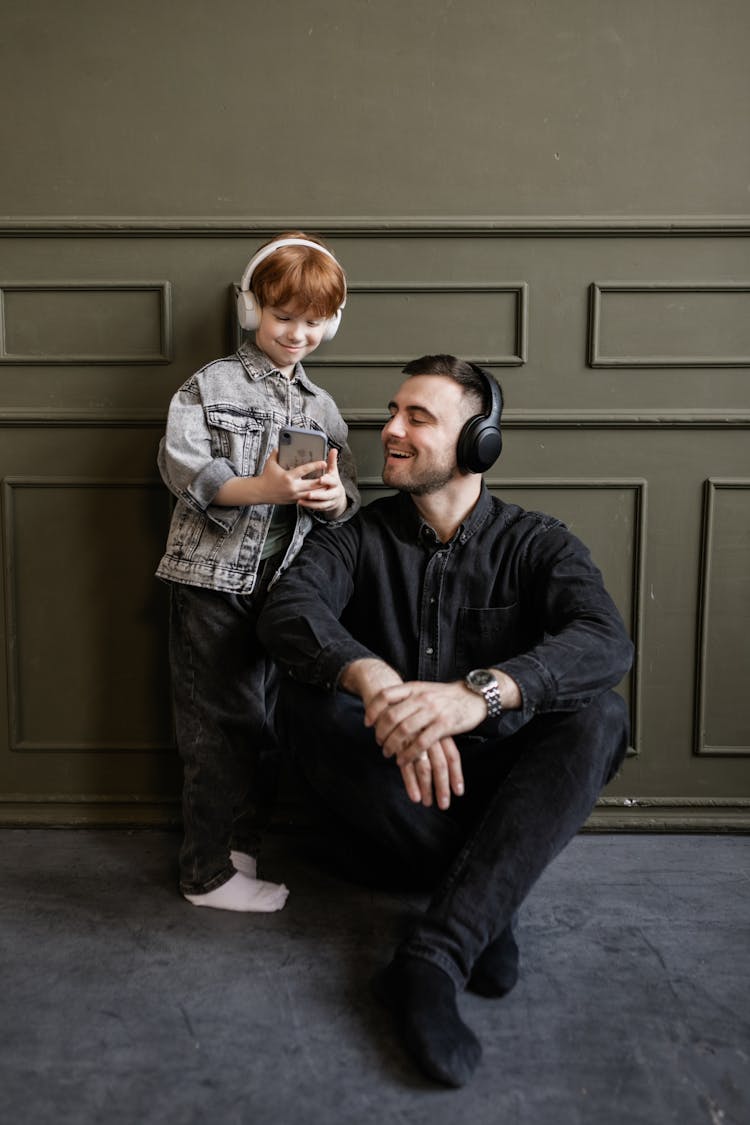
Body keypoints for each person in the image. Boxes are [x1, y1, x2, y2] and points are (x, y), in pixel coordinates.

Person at [257, 354, 633, 1085]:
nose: (389, 429)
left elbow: (604, 638)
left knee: (602, 715)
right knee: (302, 697)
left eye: (416, 417)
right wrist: (376, 681)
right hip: (388, 806)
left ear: (477, 442)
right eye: (392, 412)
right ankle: (490, 895)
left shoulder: (536, 541)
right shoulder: (357, 537)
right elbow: (288, 609)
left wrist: (477, 694)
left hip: (500, 789)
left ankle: (437, 949)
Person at [156, 232, 360, 913]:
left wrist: (335, 499)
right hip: (211, 583)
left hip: (282, 592)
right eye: (282, 317)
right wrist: (261, 491)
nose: (296, 334)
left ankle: (238, 850)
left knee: (267, 726)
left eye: (311, 322)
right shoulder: (211, 385)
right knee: (220, 729)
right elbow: (184, 469)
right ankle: (206, 873)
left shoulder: (321, 409)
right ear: (253, 311)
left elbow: (344, 490)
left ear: (330, 323)